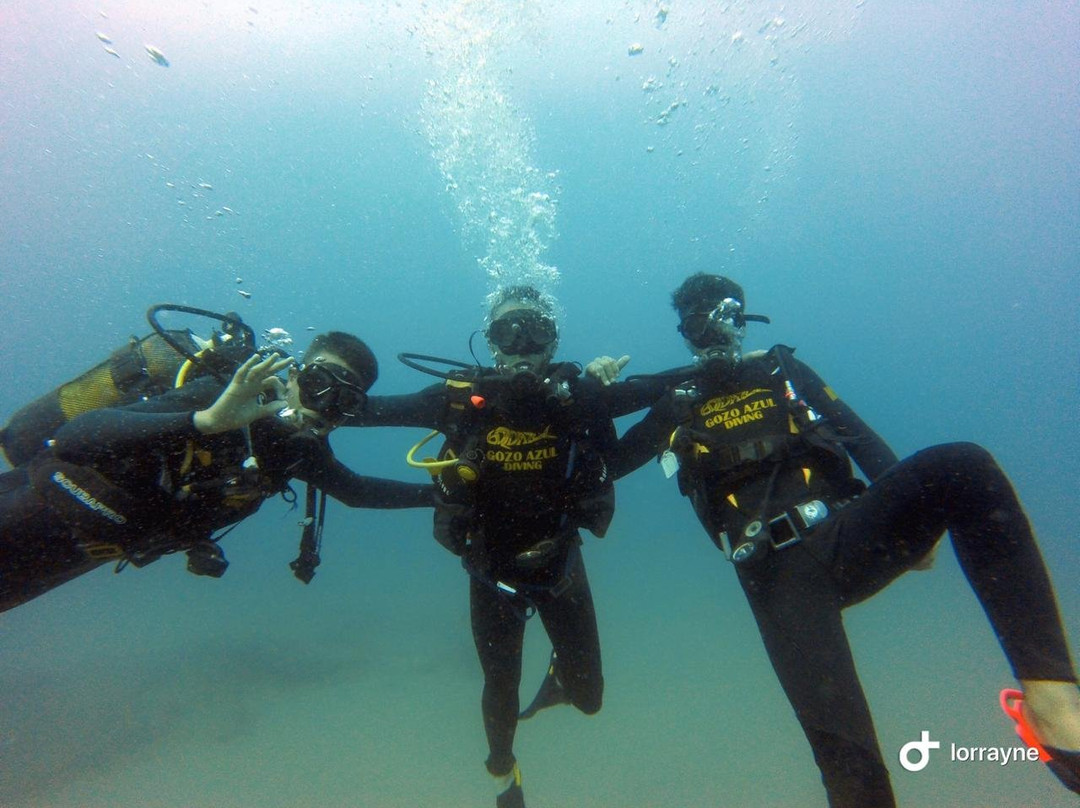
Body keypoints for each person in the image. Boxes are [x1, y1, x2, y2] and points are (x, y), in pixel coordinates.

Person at [595, 273, 1080, 806]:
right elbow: (609, 466)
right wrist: (594, 392)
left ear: (741, 321)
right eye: (696, 324)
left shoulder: (780, 368)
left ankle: (1053, 702)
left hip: (848, 534)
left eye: (725, 317)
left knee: (963, 464)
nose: (712, 334)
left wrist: (915, 521)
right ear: (685, 335)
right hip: (776, 578)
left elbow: (854, 432)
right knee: (851, 773)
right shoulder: (671, 396)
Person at [352, 286, 663, 808]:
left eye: (536, 331)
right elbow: (368, 411)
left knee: (590, 700)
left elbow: (651, 404)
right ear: (490, 344)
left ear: (553, 341)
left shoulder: (580, 397)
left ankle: (561, 676)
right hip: (489, 572)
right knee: (500, 688)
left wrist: (693, 385)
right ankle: (503, 774)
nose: (522, 344)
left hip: (560, 563)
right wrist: (311, 397)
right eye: (506, 332)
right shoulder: (457, 401)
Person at [0, 331, 435, 613]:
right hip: (31, 504)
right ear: (296, 372)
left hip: (86, 552)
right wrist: (203, 421)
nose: (325, 406)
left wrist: (444, 495)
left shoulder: (297, 452)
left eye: (346, 401)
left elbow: (355, 490)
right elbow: (76, 436)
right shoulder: (219, 397)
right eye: (321, 383)